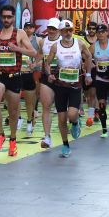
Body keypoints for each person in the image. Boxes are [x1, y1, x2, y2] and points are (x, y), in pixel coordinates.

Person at [0, 4, 38, 156]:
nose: (7, 19)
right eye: (4, 17)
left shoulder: (20, 33)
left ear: (14, 18)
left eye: (9, 17)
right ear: (1, 18)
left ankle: (13, 140)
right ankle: (1, 134)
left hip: (15, 76)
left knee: (13, 112)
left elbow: (33, 52)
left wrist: (17, 49)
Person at [44, 20, 93, 158]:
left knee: (72, 114)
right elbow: (47, 63)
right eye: (65, 31)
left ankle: (76, 122)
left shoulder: (79, 43)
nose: (68, 33)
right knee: (61, 118)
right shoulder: (55, 46)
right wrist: (49, 75)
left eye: (70, 30)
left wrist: (88, 74)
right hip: (60, 85)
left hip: (75, 85)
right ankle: (65, 145)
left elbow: (89, 56)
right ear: (60, 32)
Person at [35, 19, 62, 148]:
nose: (51, 31)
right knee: (46, 106)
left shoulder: (65, 40)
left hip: (63, 77)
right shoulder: (43, 41)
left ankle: (74, 122)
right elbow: (40, 54)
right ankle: (47, 137)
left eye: (54, 29)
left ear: (59, 30)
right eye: (50, 28)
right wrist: (34, 63)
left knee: (64, 110)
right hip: (47, 77)